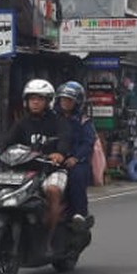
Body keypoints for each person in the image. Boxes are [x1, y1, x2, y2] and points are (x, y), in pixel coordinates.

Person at [0, 79, 72, 237]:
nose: (35, 102)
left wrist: (59, 153)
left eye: (39, 98)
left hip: (51, 169)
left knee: (52, 190)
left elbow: (65, 139)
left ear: (48, 101)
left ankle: (49, 236)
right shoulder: (22, 122)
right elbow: (7, 139)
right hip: (26, 169)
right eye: (31, 99)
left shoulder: (58, 122)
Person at [55, 81, 95, 230]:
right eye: (63, 99)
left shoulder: (83, 121)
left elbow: (88, 142)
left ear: (77, 102)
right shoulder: (52, 118)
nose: (65, 103)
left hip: (76, 161)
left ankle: (80, 214)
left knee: (76, 176)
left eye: (70, 100)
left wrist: (75, 158)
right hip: (54, 158)